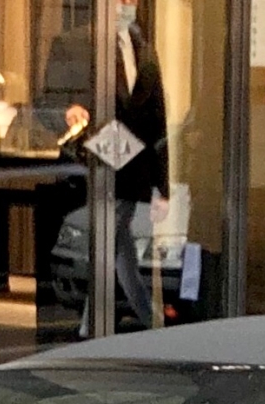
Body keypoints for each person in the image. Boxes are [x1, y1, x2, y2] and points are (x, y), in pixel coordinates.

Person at [59, 1, 168, 333]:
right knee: (115, 245)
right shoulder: (76, 43)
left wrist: (161, 188)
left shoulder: (144, 50)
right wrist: (71, 110)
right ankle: (134, 322)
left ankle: (100, 327)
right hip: (93, 169)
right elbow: (50, 98)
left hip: (131, 171)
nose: (126, 4)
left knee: (115, 244)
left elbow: (157, 125)